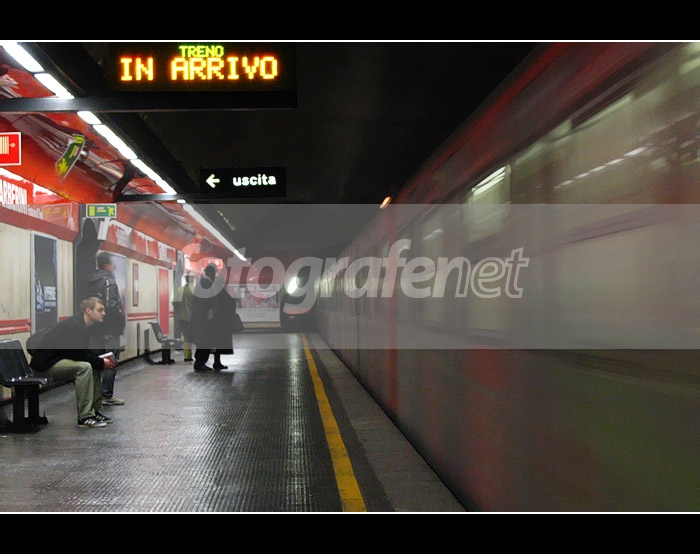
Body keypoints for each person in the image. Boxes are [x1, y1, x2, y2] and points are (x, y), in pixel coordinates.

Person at [29, 296, 117, 429]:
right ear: (88, 311)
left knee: (94, 366)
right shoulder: (73, 325)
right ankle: (85, 416)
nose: (103, 313)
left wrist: (99, 362)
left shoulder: (83, 325)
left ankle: (94, 411)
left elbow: (81, 352)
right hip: (45, 365)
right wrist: (100, 361)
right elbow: (77, 354)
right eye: (100, 310)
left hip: (58, 360)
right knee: (84, 367)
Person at [86, 251, 126, 406]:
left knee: (95, 363)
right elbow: (111, 305)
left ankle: (94, 395)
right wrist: (120, 319)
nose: (114, 267)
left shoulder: (91, 281)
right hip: (110, 329)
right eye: (112, 264)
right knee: (110, 362)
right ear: (107, 265)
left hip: (94, 329)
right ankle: (106, 395)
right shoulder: (109, 281)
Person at [190, 263, 236, 372]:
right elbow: (205, 301)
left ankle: (200, 362)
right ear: (210, 273)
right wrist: (211, 310)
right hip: (204, 319)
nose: (215, 276)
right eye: (214, 273)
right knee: (204, 342)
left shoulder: (205, 283)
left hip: (203, 318)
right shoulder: (205, 284)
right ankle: (200, 363)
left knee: (204, 341)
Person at [173, 272, 195, 362]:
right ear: (193, 279)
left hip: (183, 317)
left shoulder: (179, 290)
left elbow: (175, 302)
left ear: (186, 279)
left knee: (186, 337)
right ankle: (197, 355)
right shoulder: (195, 290)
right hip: (193, 317)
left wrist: (180, 311)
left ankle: (187, 356)